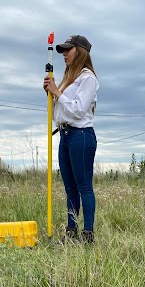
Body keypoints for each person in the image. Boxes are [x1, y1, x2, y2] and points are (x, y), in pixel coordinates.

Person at [43, 35, 99, 243]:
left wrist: (57, 92)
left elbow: (77, 110)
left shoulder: (88, 78)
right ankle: (71, 231)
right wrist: (51, 94)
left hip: (81, 136)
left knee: (84, 186)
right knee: (69, 188)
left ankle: (88, 234)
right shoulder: (68, 79)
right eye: (62, 51)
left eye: (68, 50)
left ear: (80, 52)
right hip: (65, 135)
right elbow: (60, 113)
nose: (64, 54)